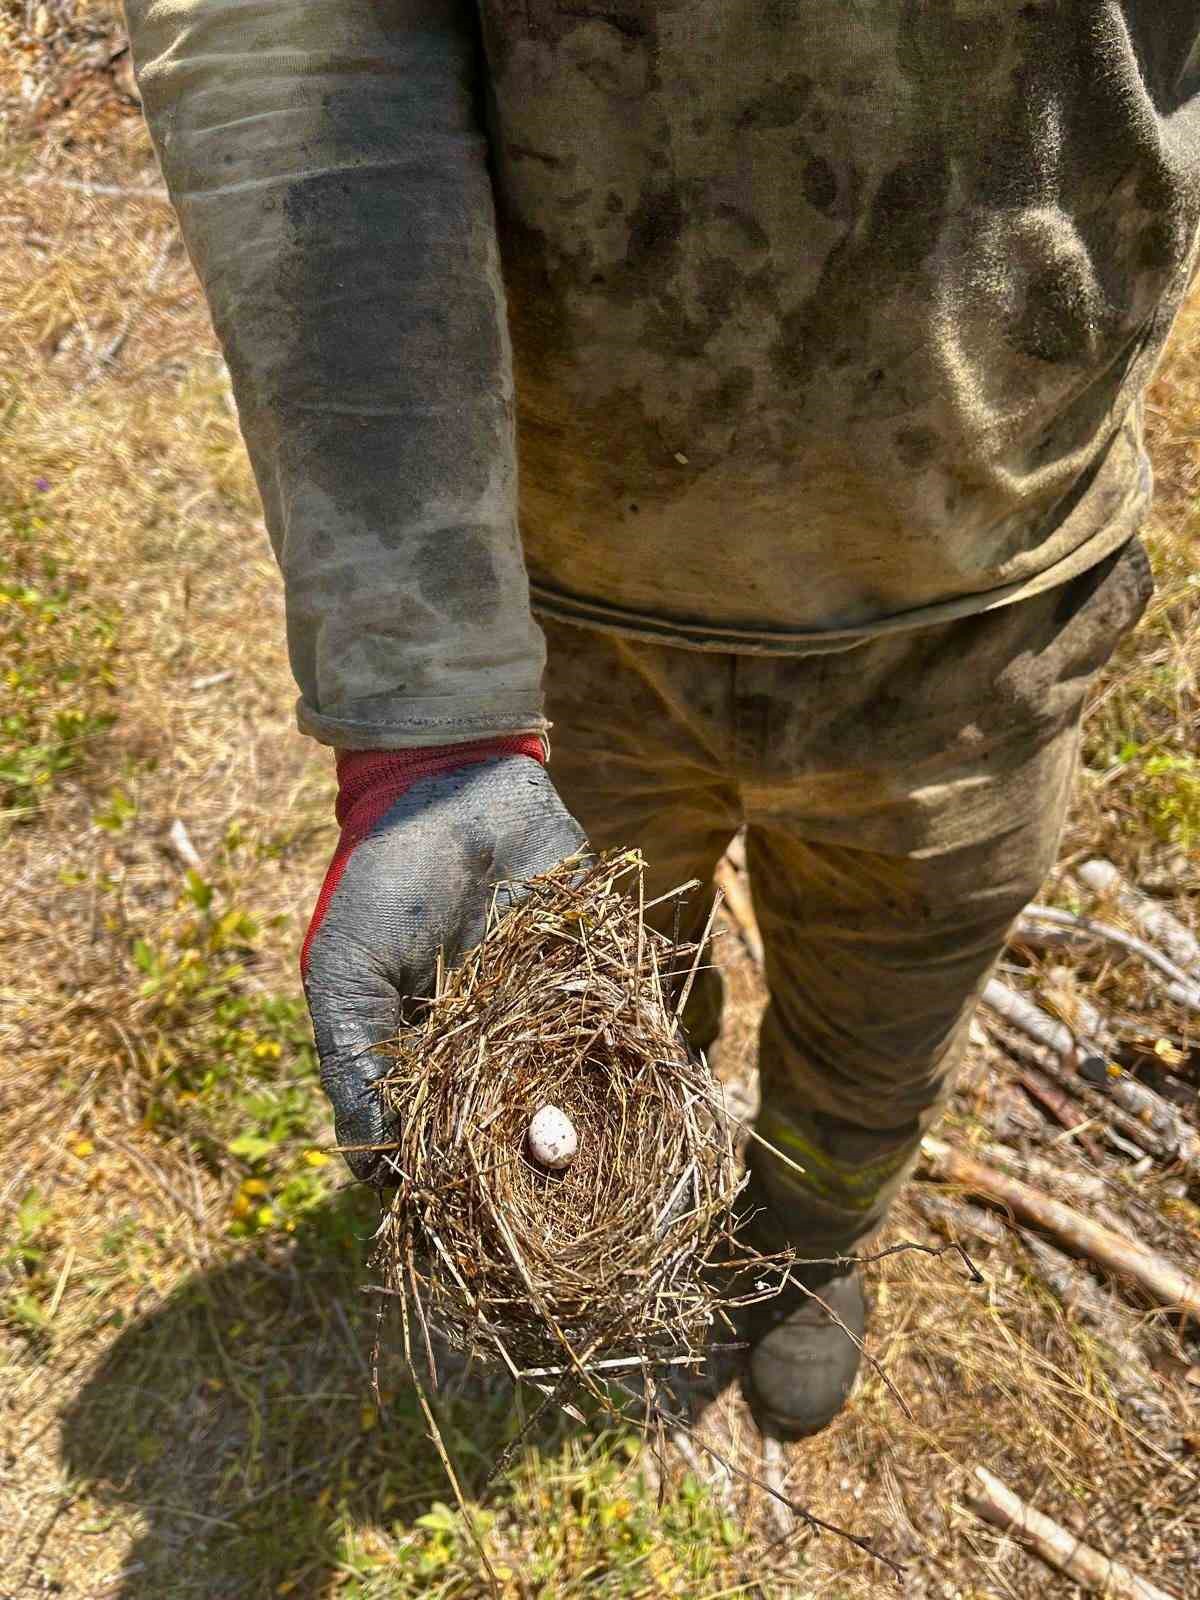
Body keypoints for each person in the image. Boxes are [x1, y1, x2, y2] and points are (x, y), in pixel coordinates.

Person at [124, 1, 1199, 1438]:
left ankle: (807, 1238)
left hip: (985, 626)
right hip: (565, 624)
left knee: (885, 1018)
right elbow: (282, 24)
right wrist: (430, 717)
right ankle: (644, 1185)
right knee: (599, 996)